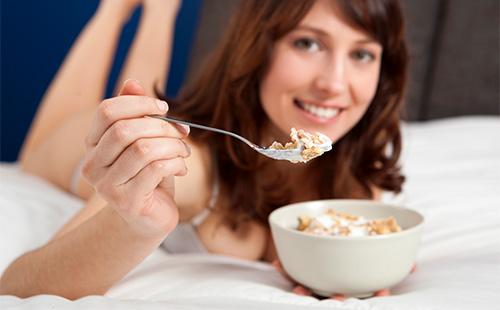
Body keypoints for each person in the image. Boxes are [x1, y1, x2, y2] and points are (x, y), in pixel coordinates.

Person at [0, 0, 410, 300]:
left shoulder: (356, 185)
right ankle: (118, 10)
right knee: (127, 107)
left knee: (146, 110)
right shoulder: (189, 165)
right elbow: (17, 285)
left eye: (362, 53)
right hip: (66, 149)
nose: (335, 85)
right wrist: (134, 225)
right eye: (307, 43)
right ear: (257, 49)